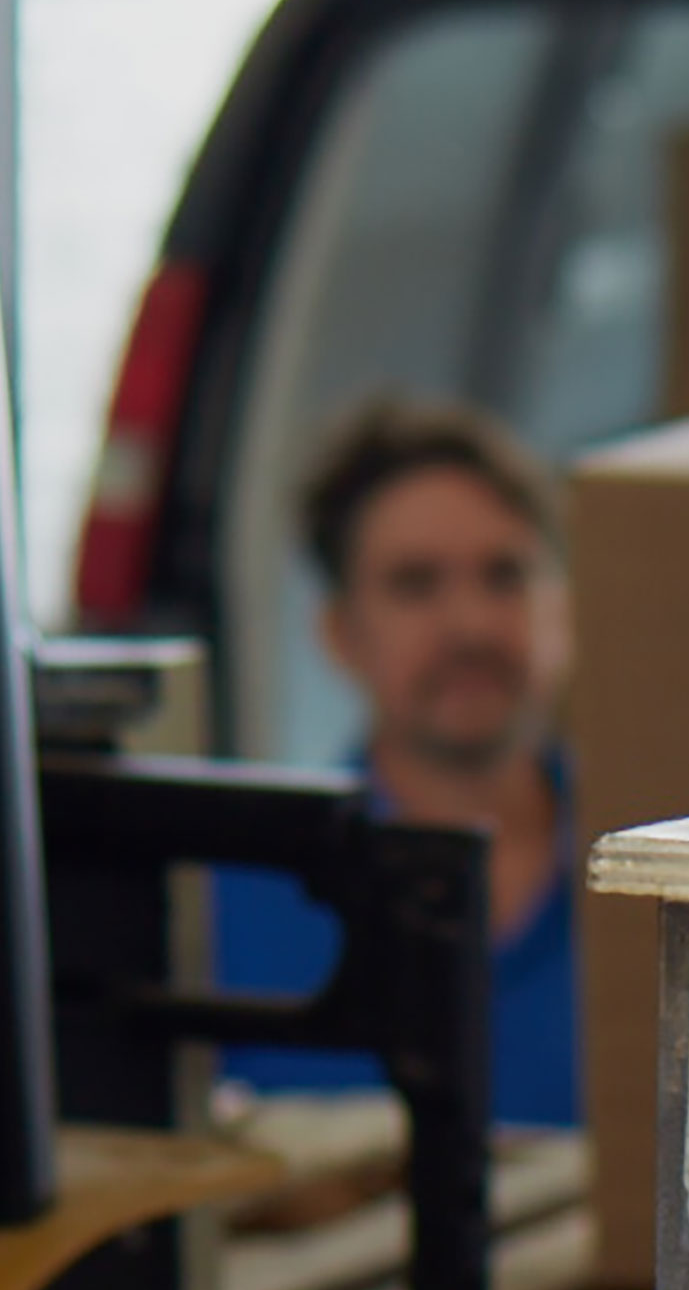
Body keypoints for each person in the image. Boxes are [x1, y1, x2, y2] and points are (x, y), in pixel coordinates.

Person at [217, 396, 580, 1127]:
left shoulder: (666, 885)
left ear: (562, 609)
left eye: (504, 575)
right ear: (341, 634)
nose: (470, 624)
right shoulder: (228, 914)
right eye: (416, 583)